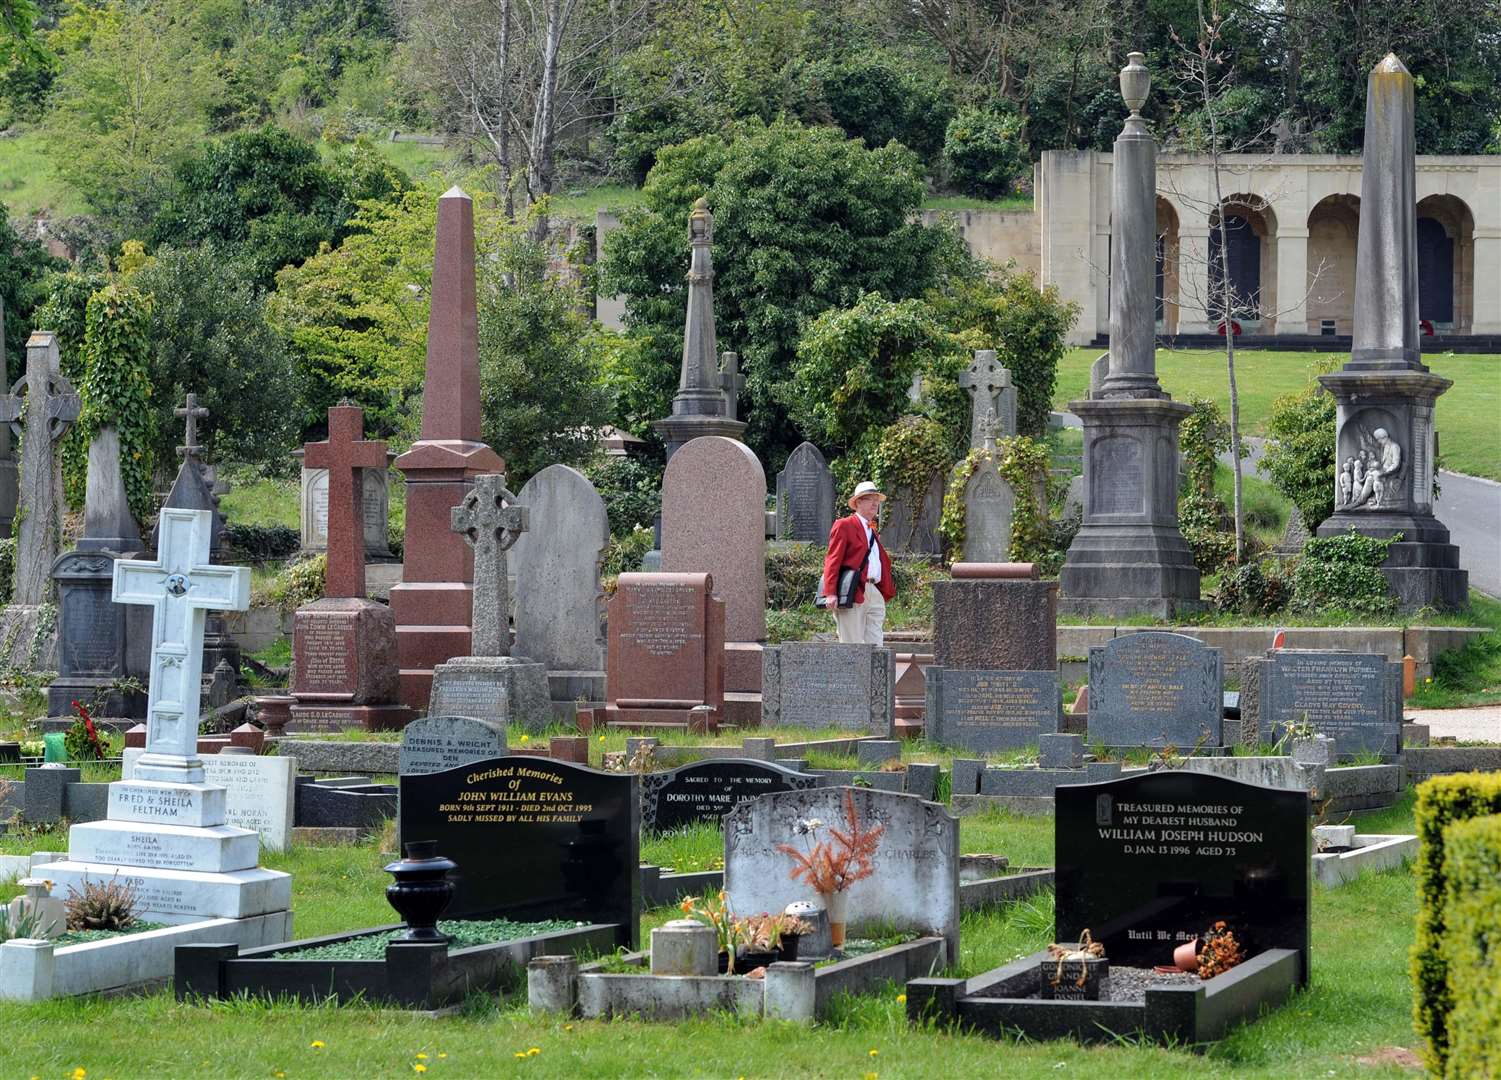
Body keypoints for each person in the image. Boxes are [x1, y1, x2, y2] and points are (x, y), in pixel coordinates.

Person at [821, 480, 897, 646]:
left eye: (876, 499)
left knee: (877, 647)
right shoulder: (844, 525)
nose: (875, 503)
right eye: (869, 498)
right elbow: (833, 559)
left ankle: (874, 673)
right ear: (858, 503)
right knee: (852, 645)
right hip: (853, 590)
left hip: (874, 590)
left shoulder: (872, 529)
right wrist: (831, 593)